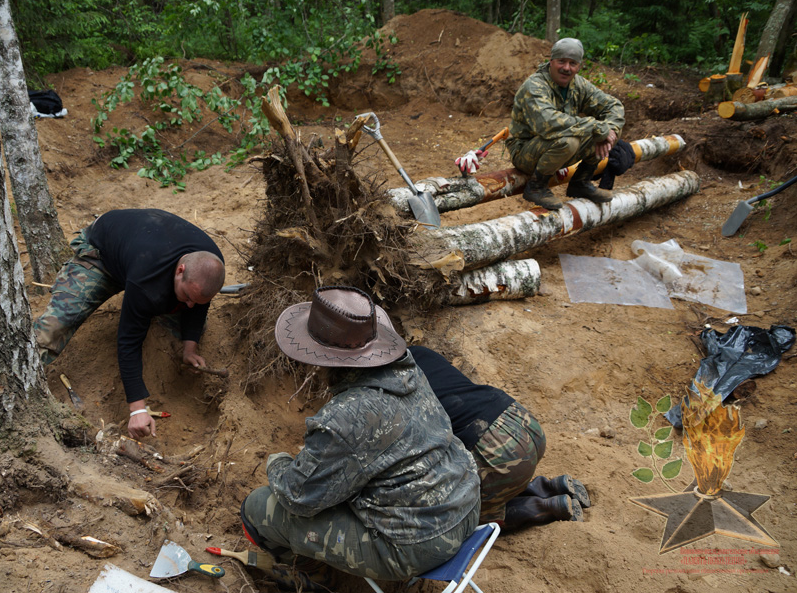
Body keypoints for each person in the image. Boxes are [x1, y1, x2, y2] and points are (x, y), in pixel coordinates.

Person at [240, 286, 481, 589]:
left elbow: (297, 497)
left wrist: (278, 463)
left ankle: (317, 578)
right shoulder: (408, 371)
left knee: (259, 507)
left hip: (415, 545)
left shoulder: (346, 416)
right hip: (466, 507)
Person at [33, 208, 225, 439]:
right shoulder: (148, 278)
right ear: (180, 270)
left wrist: (189, 348)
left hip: (139, 253)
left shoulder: (210, 264)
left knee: (185, 325)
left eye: (196, 299)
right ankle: (22, 377)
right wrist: (138, 409)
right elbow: (128, 339)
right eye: (187, 296)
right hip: (102, 255)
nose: (191, 305)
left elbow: (200, 304)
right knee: (55, 327)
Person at [409, 345, 590, 532]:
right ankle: (548, 487)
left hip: (495, 449)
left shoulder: (392, 388)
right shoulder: (418, 352)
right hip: (522, 420)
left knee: (458, 515)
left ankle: (545, 508)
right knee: (493, 479)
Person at [458, 38, 625, 211]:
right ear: (551, 61)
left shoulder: (579, 85)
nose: (566, 68)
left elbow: (613, 106)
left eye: (572, 63)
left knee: (611, 132)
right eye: (561, 61)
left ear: (579, 66)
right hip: (526, 151)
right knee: (571, 140)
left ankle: (581, 182)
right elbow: (548, 123)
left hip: (557, 149)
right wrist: (596, 127)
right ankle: (536, 186)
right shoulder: (535, 86)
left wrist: (608, 131)